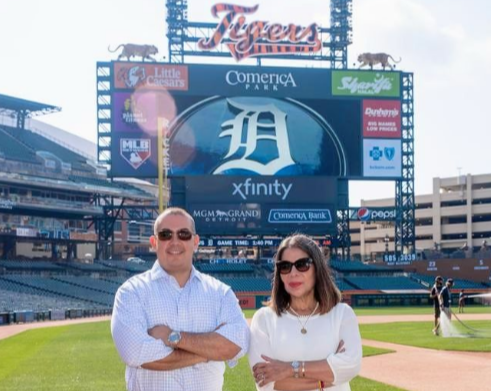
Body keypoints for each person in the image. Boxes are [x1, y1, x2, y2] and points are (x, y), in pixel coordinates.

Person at [111, 207, 250, 391]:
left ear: (195, 241)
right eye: (166, 234)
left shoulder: (220, 293)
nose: (174, 241)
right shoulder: (131, 292)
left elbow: (239, 343)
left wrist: (173, 338)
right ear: (154, 242)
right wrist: (207, 352)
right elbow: (136, 354)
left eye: (183, 234)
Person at [248, 234, 362, 391]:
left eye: (302, 264)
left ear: (318, 268)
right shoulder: (263, 319)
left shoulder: (342, 314)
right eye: (285, 266)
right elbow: (266, 383)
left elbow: (351, 367)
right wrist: (329, 374)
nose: (293, 273)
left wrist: (289, 369)